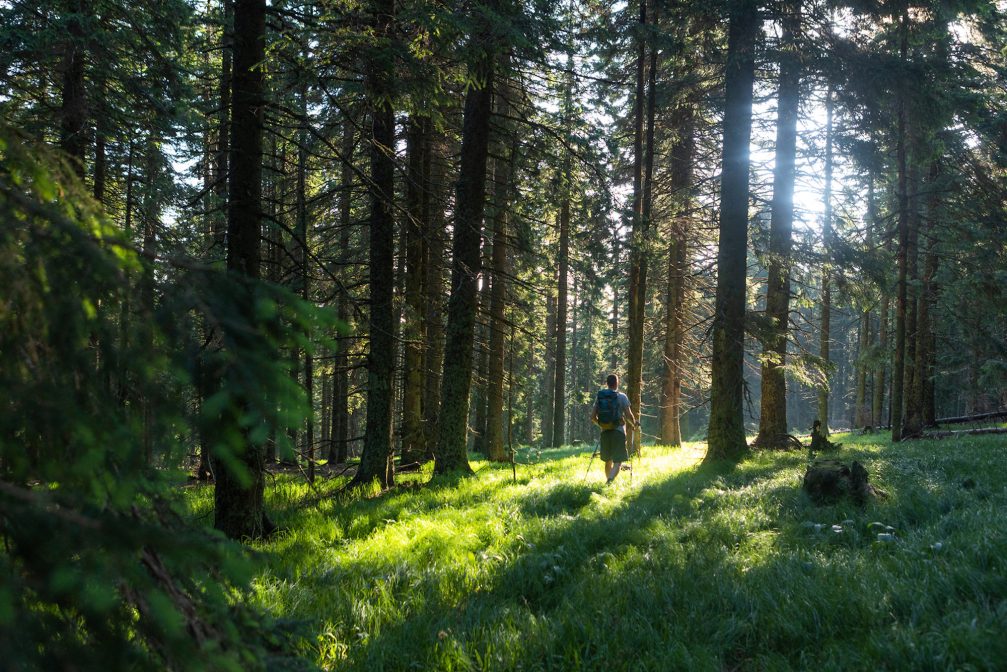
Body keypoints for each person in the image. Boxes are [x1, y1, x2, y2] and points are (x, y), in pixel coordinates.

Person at [590, 374, 636, 484]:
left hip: (605, 432)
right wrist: (634, 424)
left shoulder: (600, 397)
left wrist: (602, 425)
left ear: (607, 383)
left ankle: (608, 483)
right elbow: (629, 415)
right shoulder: (622, 397)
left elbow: (592, 417)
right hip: (618, 432)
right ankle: (610, 481)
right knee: (618, 461)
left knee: (607, 460)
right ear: (617, 383)